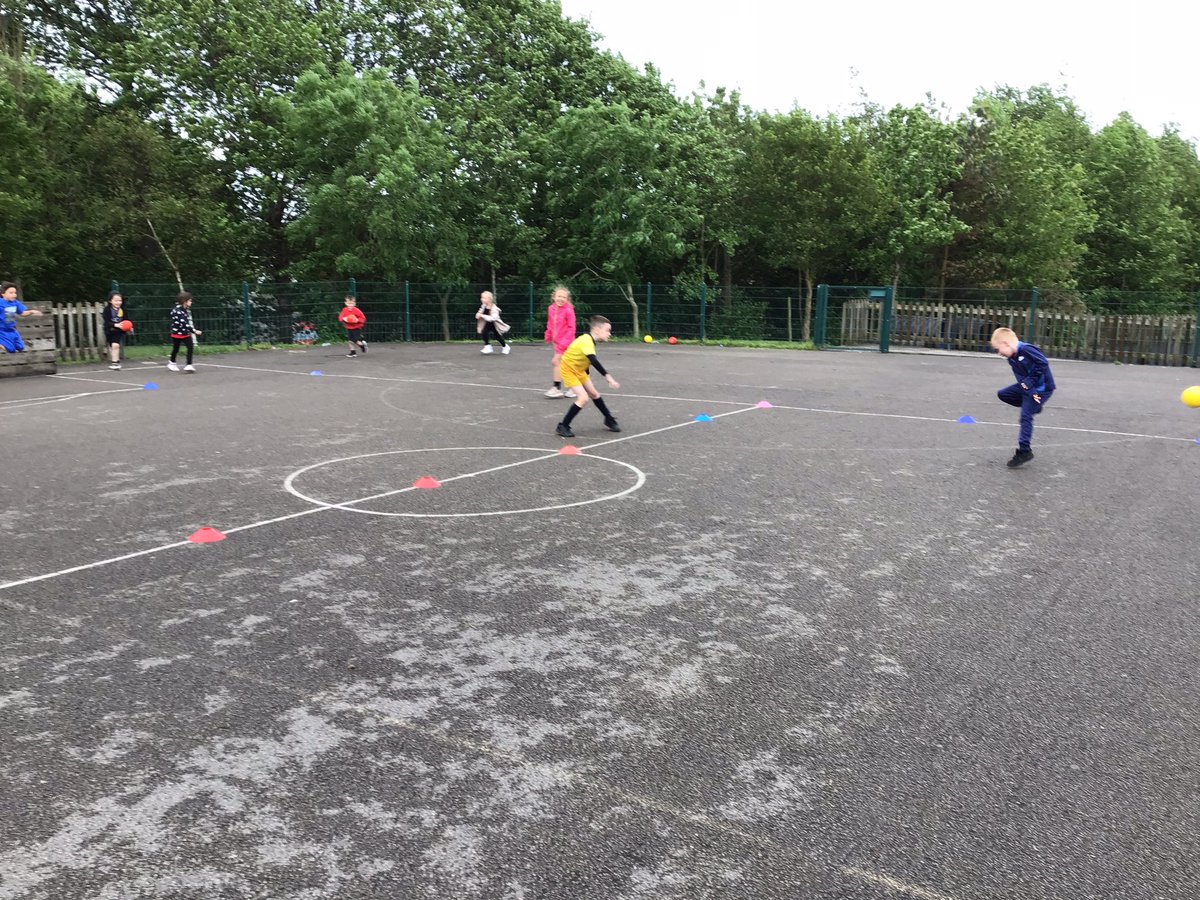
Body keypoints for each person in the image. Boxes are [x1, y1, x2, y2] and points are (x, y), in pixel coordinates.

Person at [990, 326, 1056, 468]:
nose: (998, 353)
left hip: (1042, 388)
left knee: (1025, 416)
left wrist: (1032, 389)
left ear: (1006, 344)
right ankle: (1034, 407)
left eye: (997, 349)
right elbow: (1020, 377)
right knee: (1003, 394)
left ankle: (1024, 451)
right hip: (1030, 388)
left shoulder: (1027, 349)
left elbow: (1043, 364)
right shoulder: (1012, 358)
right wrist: (1029, 390)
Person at [555, 315, 621, 438]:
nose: (609, 334)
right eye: (607, 330)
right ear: (597, 329)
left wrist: (586, 378)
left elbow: (584, 360)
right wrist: (608, 376)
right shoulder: (586, 341)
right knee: (583, 398)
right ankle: (563, 425)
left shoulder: (589, 340)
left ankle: (608, 419)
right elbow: (593, 360)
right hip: (569, 370)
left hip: (579, 370)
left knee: (594, 394)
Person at [543, 285, 577, 398]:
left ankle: (557, 388)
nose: (561, 299)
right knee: (567, 365)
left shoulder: (569, 310)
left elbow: (572, 328)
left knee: (556, 362)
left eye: (564, 297)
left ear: (567, 299)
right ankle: (573, 388)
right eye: (559, 296)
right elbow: (550, 323)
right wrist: (548, 334)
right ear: (554, 297)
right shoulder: (551, 308)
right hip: (556, 342)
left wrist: (564, 343)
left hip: (567, 342)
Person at [0, 281, 45, 353]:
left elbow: (22, 313)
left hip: (12, 330)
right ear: (3, 294)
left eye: (15, 293)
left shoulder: (16, 303)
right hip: (2, 331)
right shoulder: (0, 302)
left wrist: (31, 311)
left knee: (20, 347)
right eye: (11, 293)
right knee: (11, 350)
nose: (14, 295)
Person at [167, 291, 202, 373]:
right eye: (190, 301)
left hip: (185, 333)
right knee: (176, 349)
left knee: (190, 347)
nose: (191, 302)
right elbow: (184, 324)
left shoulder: (184, 310)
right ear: (184, 301)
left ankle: (189, 365)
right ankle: (172, 363)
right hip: (177, 334)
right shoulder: (178, 311)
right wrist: (194, 331)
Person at [101, 291, 127, 369]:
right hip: (109, 330)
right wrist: (115, 324)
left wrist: (129, 327)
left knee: (115, 345)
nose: (118, 302)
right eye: (116, 300)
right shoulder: (107, 310)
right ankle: (116, 360)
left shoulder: (123, 309)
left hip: (118, 330)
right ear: (110, 301)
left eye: (120, 300)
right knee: (112, 346)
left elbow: (126, 320)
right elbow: (107, 322)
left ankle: (115, 363)